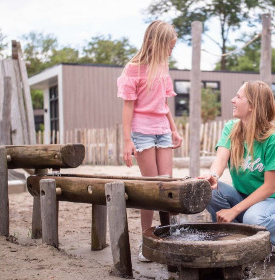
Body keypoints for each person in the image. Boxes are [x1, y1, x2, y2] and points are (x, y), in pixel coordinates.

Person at [201, 80, 275, 260]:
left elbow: (270, 187)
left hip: (271, 200)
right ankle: (234, 242)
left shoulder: (274, 139)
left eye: (239, 97)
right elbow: (220, 160)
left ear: (252, 106)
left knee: (253, 219)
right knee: (207, 190)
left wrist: (234, 211)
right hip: (242, 196)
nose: (233, 100)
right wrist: (213, 176)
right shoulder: (231, 129)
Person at [116, 20, 182, 262]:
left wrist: (174, 130)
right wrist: (126, 141)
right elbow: (128, 106)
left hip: (163, 129)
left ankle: (168, 236)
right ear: (154, 42)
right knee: (151, 187)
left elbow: (164, 105)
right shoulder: (134, 68)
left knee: (167, 186)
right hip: (142, 131)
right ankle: (146, 239)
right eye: (169, 46)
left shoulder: (163, 67)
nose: (171, 51)